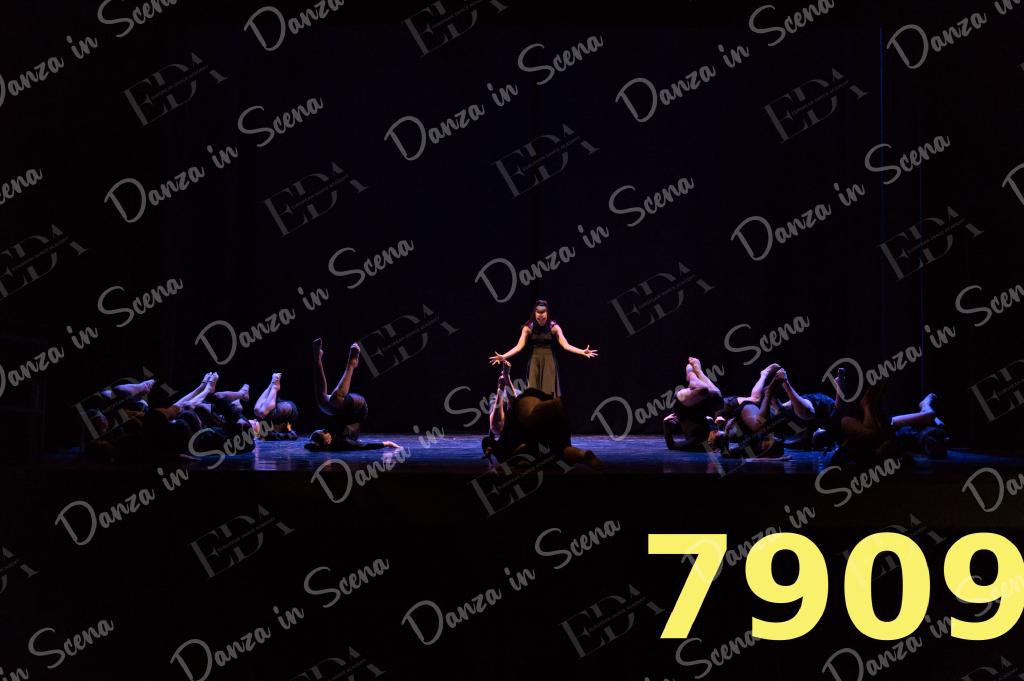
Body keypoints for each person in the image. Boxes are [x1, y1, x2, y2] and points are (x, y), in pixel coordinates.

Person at [481, 362, 601, 469]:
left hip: (532, 409)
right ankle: (583, 455)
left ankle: (552, 407)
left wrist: (504, 384)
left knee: (528, 419)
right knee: (560, 450)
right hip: (542, 420)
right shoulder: (513, 444)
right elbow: (497, 426)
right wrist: (501, 388)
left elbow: (506, 414)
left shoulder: (507, 442)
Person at [306, 338, 400, 451]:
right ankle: (352, 363)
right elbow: (364, 446)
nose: (324, 430)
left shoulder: (328, 437)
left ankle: (317, 359)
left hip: (341, 409)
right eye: (324, 432)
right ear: (328, 442)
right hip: (358, 409)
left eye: (322, 430)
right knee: (335, 399)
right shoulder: (343, 442)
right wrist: (386, 443)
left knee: (322, 402)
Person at [489, 299, 597, 396]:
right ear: (535, 313)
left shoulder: (554, 327)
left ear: (547, 313)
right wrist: (504, 356)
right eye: (538, 313)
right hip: (534, 361)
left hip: (549, 362)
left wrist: (582, 351)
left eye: (543, 313)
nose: (541, 316)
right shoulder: (528, 328)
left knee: (548, 392)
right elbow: (518, 347)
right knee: (533, 392)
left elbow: (566, 345)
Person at [663, 357, 725, 451]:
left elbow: (672, 446)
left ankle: (690, 374)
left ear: (711, 442)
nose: (717, 431)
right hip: (699, 408)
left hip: (684, 406)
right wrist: (719, 425)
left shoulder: (696, 442)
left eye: (716, 433)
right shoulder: (713, 434)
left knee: (703, 389)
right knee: (719, 401)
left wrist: (665, 424)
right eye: (718, 431)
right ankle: (699, 372)